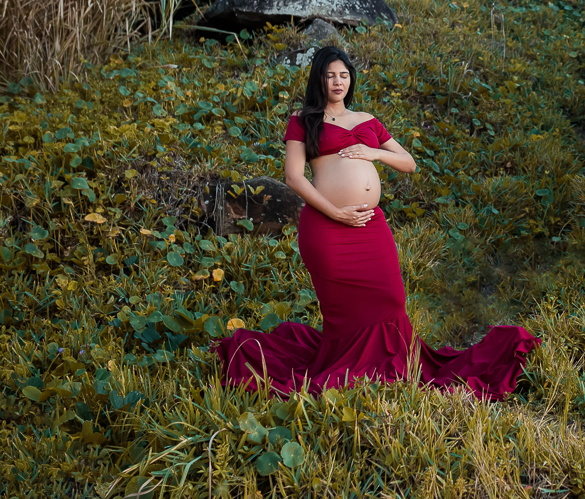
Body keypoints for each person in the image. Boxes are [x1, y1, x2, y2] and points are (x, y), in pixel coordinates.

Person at [214, 46, 540, 398]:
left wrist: (374, 152)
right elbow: (294, 177)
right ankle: (354, 372)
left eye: (343, 74)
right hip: (326, 229)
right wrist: (335, 212)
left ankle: (391, 367)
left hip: (370, 227)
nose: (337, 81)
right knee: (347, 314)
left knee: (391, 298)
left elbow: (409, 162)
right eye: (329, 75)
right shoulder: (303, 119)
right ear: (319, 79)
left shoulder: (367, 120)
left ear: (350, 78)